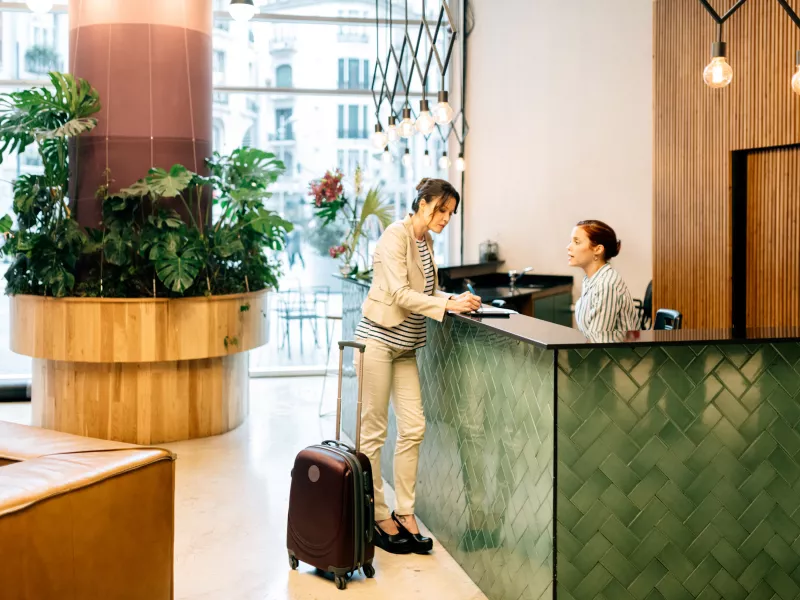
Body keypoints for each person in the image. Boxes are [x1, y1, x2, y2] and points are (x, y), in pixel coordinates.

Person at [354, 178, 481, 555]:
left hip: (405, 346)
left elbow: (422, 294)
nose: (446, 218)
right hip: (377, 340)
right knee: (373, 434)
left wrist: (451, 297)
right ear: (422, 203)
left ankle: (405, 512)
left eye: (451, 213)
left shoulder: (425, 243)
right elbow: (397, 294)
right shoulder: (397, 235)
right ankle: (378, 515)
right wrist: (447, 306)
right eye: (441, 209)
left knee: (413, 427)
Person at [567, 220, 638, 335]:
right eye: (570, 241)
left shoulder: (607, 285)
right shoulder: (590, 280)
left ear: (598, 249)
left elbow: (598, 342)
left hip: (619, 353)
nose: (568, 247)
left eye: (577, 242)